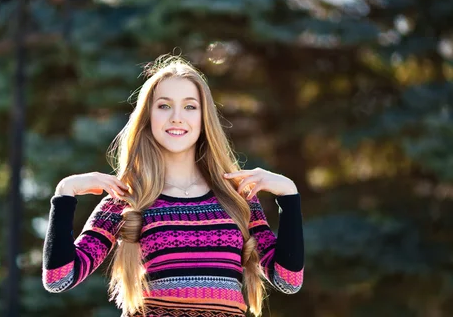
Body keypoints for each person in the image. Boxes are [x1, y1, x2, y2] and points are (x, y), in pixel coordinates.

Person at [42, 54, 304, 317]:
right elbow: (59, 278)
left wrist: (289, 197)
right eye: (164, 106)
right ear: (148, 117)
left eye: (190, 107)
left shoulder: (237, 197)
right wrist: (65, 193)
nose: (177, 117)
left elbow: (288, 281)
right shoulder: (127, 197)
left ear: (204, 118)